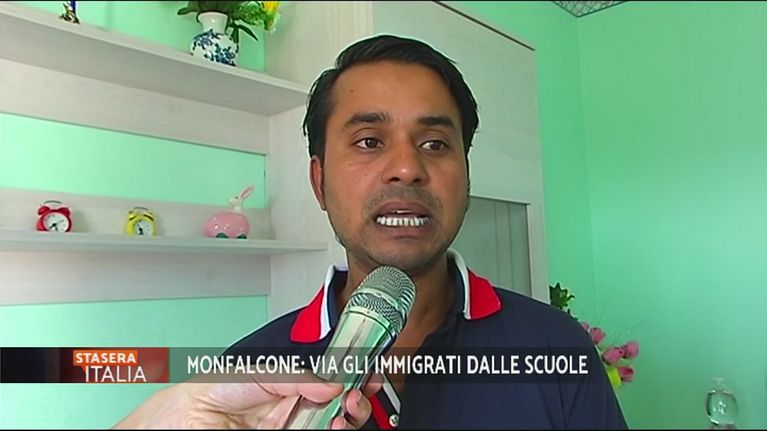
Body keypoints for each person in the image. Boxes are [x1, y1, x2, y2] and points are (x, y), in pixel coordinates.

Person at [118, 34, 627, 429]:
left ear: (467, 178)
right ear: (319, 181)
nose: (406, 169)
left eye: (434, 144)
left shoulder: (557, 347)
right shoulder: (244, 376)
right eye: (368, 141)